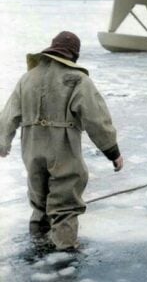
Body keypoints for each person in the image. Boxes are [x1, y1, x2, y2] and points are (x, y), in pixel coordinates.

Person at [0, 31, 123, 251]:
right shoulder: (78, 79)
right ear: (74, 55)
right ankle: (64, 259)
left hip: (31, 149)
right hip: (62, 149)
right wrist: (113, 152)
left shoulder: (27, 78)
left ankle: (37, 252)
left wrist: (2, 143)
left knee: (39, 203)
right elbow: (96, 119)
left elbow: (8, 115)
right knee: (64, 206)